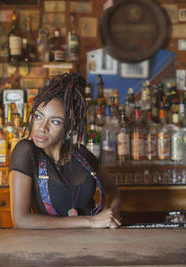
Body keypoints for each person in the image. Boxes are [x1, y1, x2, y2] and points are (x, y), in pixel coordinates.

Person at [9, 72, 122, 229]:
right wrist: (91, 221)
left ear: (68, 127)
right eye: (38, 117)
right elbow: (20, 219)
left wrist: (112, 215)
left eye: (54, 121)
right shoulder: (26, 152)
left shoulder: (81, 155)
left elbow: (112, 189)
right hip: (47, 247)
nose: (42, 128)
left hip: (91, 244)